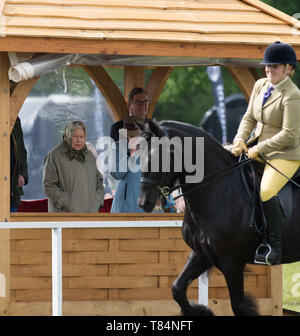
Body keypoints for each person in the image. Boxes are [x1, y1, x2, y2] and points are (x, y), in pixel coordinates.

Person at [231, 41, 300, 265]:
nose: (269, 70)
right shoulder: (260, 85)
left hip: (285, 153)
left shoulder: (292, 95)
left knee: (267, 190)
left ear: (289, 69)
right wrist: (240, 139)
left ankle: (274, 248)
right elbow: (249, 117)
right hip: (256, 147)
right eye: (267, 66)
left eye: (275, 67)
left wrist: (258, 148)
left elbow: (289, 135)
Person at [43, 121, 104, 212]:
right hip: (64, 216)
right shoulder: (54, 156)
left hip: (90, 216)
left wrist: (98, 200)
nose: (79, 140)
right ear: (68, 137)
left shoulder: (89, 156)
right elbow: (49, 185)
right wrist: (65, 201)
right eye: (75, 136)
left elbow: (98, 181)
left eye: (81, 137)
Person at [10, 116, 29, 212]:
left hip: (13, 190)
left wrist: (23, 175)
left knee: (10, 226)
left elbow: (22, 151)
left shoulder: (15, 120)